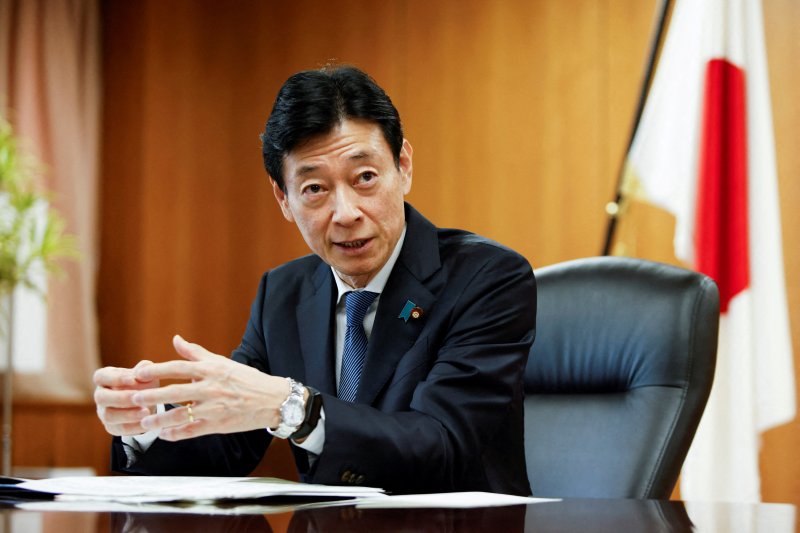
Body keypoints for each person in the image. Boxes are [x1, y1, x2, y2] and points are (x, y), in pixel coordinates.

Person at [93, 66, 536, 495]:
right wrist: (147, 422)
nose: (345, 213)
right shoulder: (284, 293)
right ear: (283, 199)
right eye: (315, 189)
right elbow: (228, 446)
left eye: (365, 178)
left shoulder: (488, 278)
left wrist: (294, 408)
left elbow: (443, 443)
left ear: (403, 166)